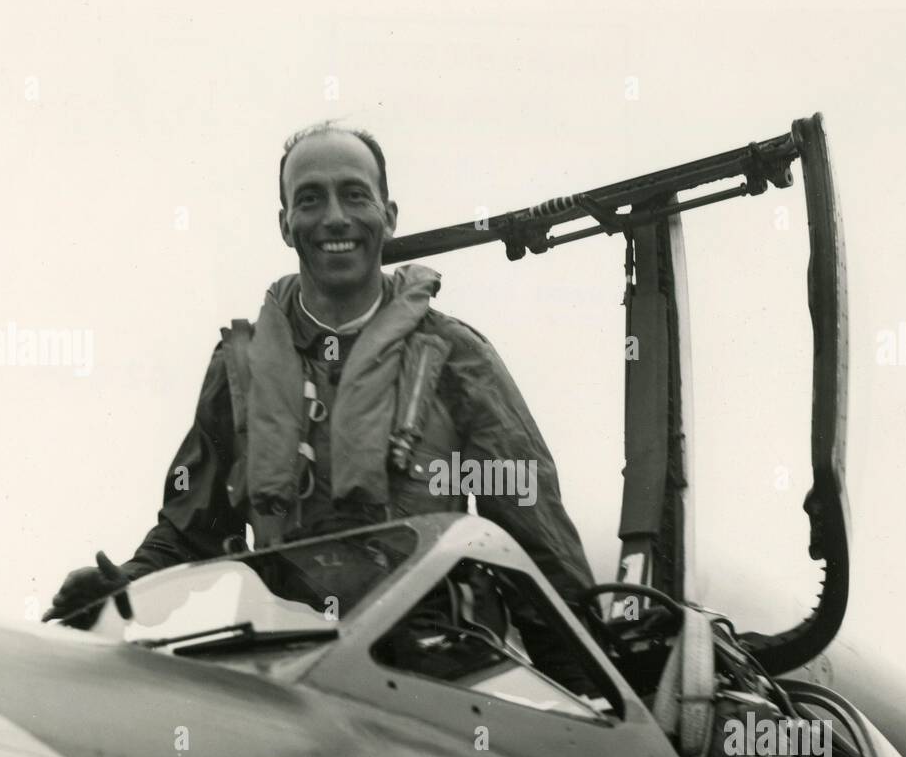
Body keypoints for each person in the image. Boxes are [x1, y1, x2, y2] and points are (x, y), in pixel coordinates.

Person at [45, 122, 595, 683]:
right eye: (310, 199)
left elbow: (539, 552)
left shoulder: (458, 359)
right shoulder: (238, 368)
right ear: (286, 225)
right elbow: (188, 532)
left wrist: (596, 698)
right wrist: (121, 587)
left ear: (390, 214)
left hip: (438, 686)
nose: (335, 217)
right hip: (290, 680)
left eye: (355, 195)